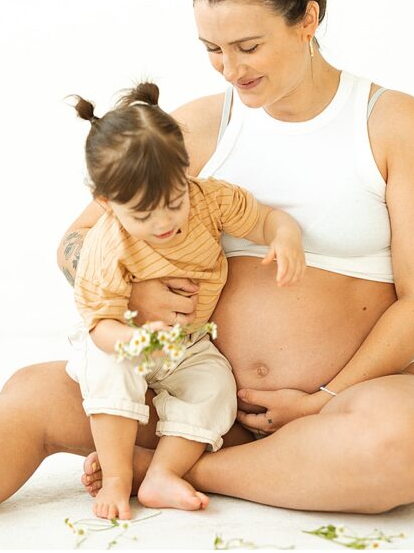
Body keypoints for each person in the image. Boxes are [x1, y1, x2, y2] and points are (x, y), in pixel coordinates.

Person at [0, 0, 414, 514]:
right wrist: (143, 291)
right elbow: (77, 243)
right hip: (195, 394)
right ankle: (207, 459)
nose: (228, 69)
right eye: (211, 49)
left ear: (307, 19)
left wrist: (322, 397)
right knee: (30, 397)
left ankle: (183, 470)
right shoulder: (200, 128)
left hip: (350, 398)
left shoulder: (391, 123)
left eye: (248, 46)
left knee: (402, 443)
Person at [68, 81, 305, 519]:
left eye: (174, 203)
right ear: (106, 203)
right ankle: (119, 478)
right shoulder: (105, 243)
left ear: (187, 175)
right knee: (110, 374)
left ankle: (161, 474)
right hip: (123, 340)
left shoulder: (209, 200)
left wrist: (285, 236)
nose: (163, 223)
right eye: (143, 214)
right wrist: (133, 341)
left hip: (190, 342)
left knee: (215, 387)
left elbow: (266, 219)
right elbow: (99, 323)